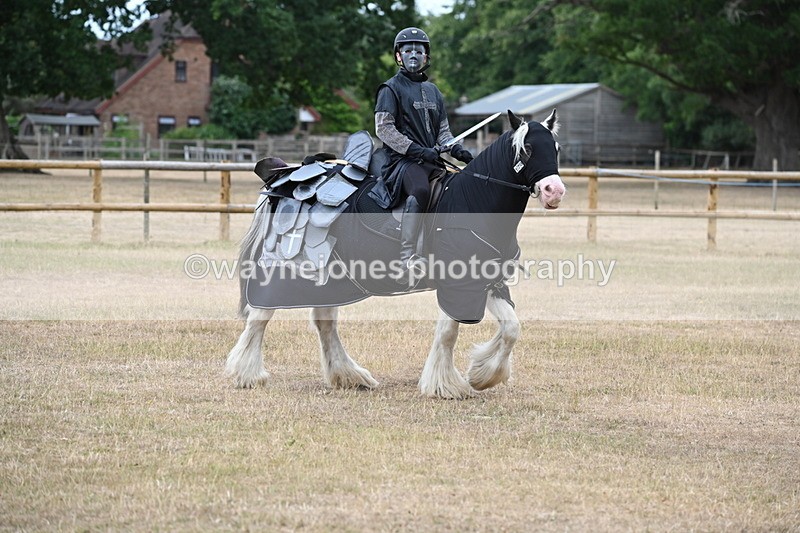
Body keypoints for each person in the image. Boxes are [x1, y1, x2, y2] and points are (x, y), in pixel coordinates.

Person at [373, 26, 474, 277]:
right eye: (408, 51)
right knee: (420, 190)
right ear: (399, 56)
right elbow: (384, 130)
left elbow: (443, 132)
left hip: (431, 161)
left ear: (426, 56)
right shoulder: (390, 88)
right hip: (401, 163)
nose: (414, 55)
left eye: (419, 51)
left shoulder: (434, 91)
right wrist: (416, 150)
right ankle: (407, 257)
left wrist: (456, 149)